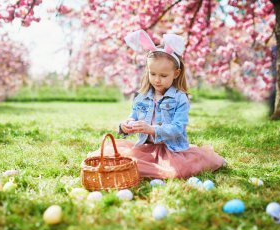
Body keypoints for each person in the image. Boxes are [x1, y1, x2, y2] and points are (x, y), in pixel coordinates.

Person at [88, 29, 226, 179]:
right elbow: (133, 117)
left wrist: (153, 130)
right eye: (152, 74)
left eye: (163, 75)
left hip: (171, 150)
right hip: (146, 148)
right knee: (123, 161)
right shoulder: (141, 97)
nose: (157, 80)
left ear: (176, 74)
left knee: (175, 171)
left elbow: (178, 128)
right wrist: (126, 126)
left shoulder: (180, 98)